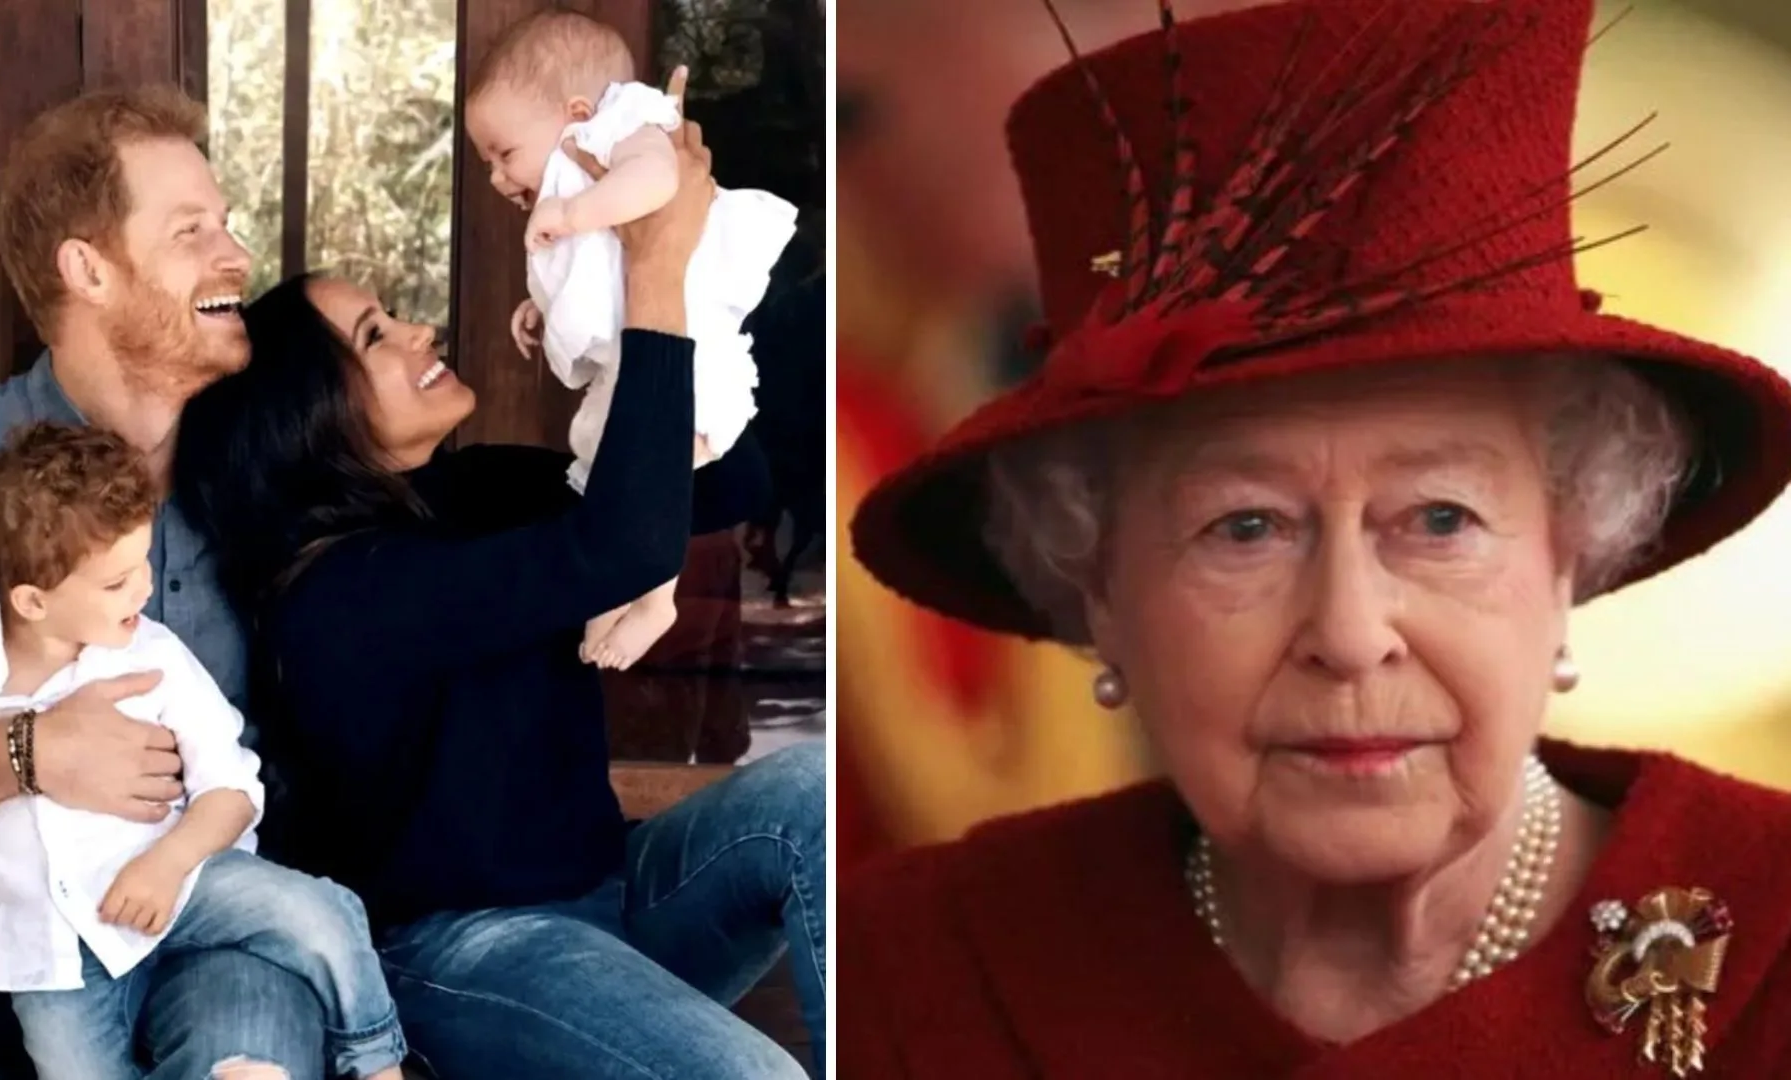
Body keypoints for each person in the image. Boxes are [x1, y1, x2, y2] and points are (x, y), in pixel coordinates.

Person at [840, 0, 1791, 1076]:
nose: (1347, 634)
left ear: (1569, 552)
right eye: (1245, 527)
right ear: (1099, 590)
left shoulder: (1772, 938)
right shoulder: (908, 969)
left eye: (1441, 520)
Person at [173, 101, 825, 1080]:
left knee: (820, 795)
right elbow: (619, 551)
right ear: (307, 417)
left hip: (615, 898)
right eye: (376, 334)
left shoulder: (467, 490)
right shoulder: (338, 596)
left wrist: (625, 329)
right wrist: (650, 267)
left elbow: (730, 484)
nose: (419, 330)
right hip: (470, 954)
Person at [0, 86, 331, 1080]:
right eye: (191, 231)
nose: (237, 257)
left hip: (212, 916)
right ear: (89, 269)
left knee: (252, 1057)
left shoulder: (252, 463)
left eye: (228, 224)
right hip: (4, 942)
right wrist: (31, 753)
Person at [0, 423, 407, 1080]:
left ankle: (375, 1061)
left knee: (320, 913)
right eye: (117, 582)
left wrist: (167, 866)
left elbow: (232, 788)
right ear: (32, 600)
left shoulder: (153, 655)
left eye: (143, 562)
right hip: (52, 949)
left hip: (183, 880)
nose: (144, 590)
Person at [464, 12, 797, 670]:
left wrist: (573, 212)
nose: (500, 178)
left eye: (505, 154)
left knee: (654, 466)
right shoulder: (578, 177)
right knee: (608, 461)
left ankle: (655, 598)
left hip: (691, 346)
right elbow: (602, 272)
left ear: (578, 112)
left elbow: (658, 183)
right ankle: (622, 587)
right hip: (640, 349)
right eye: (487, 165)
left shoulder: (625, 128)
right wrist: (541, 305)